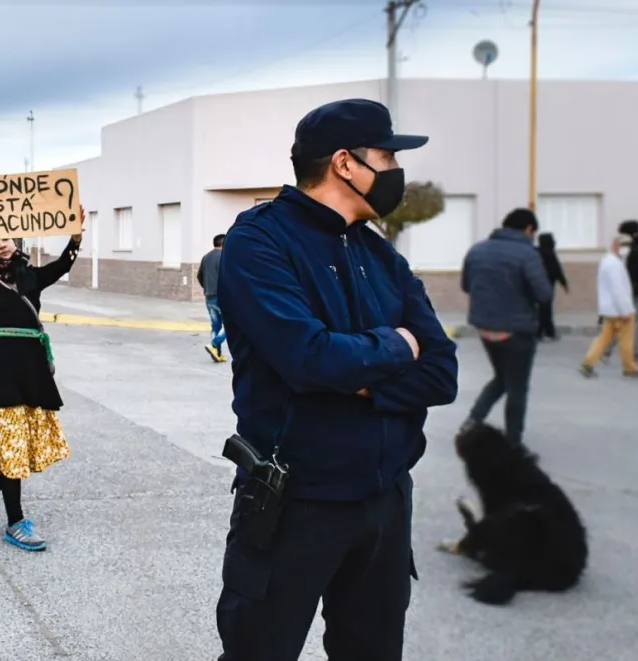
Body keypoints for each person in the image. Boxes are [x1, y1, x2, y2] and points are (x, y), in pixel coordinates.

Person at [214, 98, 458, 661]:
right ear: (346, 163)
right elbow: (308, 359)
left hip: (385, 500)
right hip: (294, 502)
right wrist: (398, 346)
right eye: (389, 156)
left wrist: (360, 378)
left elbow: (442, 371)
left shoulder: (382, 255)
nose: (398, 171)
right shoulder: (260, 242)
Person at [0, 212, 84, 551]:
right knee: (12, 447)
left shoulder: (32, 277)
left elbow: (63, 265)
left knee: (17, 447)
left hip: (30, 372)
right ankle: (16, 523)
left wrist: (76, 238)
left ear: (16, 240)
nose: (2, 244)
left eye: (5, 238)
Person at [459, 208, 552, 455]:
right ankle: (513, 444)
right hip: (516, 330)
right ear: (529, 229)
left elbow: (466, 285)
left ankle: (472, 422)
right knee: (517, 387)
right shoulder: (527, 253)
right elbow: (544, 294)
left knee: (502, 379)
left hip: (485, 328)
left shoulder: (477, 250)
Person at [580, 234, 638, 379]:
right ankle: (629, 368)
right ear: (615, 245)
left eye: (629, 245)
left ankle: (588, 363)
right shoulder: (614, 264)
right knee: (626, 340)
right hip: (619, 309)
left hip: (610, 309)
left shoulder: (610, 261)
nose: (627, 248)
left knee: (604, 338)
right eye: (624, 245)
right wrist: (625, 311)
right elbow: (618, 290)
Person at [197, 233, 227, 362]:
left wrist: (207, 288)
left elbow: (199, 276)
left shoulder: (206, 257)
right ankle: (214, 344)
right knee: (230, 325)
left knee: (215, 326)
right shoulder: (225, 257)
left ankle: (217, 354)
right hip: (223, 297)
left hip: (209, 296)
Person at [536, 232, 569, 341]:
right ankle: (546, 332)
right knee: (546, 311)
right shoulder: (549, 254)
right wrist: (564, 283)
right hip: (547, 286)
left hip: (537, 286)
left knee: (542, 310)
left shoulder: (536, 252)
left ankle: (543, 332)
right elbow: (557, 270)